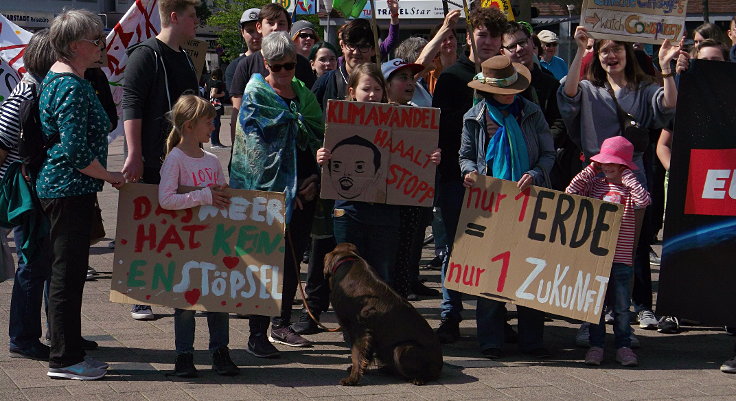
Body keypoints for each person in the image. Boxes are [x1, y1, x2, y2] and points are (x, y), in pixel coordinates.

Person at [560, 27, 679, 332]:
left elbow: (668, 107)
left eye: (617, 49)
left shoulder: (643, 88)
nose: (611, 56)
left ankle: (641, 307)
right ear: (597, 58)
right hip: (596, 176)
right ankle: (598, 312)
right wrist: (580, 51)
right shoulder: (589, 88)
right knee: (593, 245)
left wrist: (666, 71)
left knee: (634, 244)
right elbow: (567, 95)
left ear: (628, 53)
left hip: (632, 174)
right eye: (604, 51)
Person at [40, 9, 125, 380]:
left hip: (66, 190)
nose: (101, 45)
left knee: (69, 274)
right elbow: (75, 153)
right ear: (76, 46)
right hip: (67, 190)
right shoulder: (70, 87)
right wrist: (109, 175)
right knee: (66, 275)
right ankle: (64, 359)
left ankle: (69, 352)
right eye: (96, 39)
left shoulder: (62, 80)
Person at [230, 32, 323, 356]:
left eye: (291, 65)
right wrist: (286, 189)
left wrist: (313, 179)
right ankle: (257, 333)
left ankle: (280, 323)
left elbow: (315, 135)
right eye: (279, 66)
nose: (285, 73)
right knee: (264, 262)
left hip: (305, 190)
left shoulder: (301, 94)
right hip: (268, 195)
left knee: (291, 261)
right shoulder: (256, 95)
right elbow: (254, 154)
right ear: (266, 63)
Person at [459, 55, 555, 359]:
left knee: (530, 270)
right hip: (490, 204)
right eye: (505, 89)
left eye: (514, 88)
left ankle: (532, 341)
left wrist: (535, 174)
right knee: (491, 273)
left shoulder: (533, 112)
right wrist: (469, 173)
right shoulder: (473, 116)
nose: (510, 93)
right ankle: (491, 341)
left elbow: (548, 155)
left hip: (529, 201)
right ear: (489, 90)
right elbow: (465, 156)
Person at [432, 6, 508, 344]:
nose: (488, 42)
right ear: (468, 37)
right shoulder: (451, 77)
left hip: (499, 178)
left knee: (494, 249)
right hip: (456, 177)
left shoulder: (508, 75)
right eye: (482, 35)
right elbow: (439, 125)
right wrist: (474, 118)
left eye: (494, 36)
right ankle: (451, 315)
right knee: (456, 246)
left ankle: (493, 318)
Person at [122, 0, 200, 321]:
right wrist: (134, 153)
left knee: (176, 227)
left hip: (181, 158)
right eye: (192, 16)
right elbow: (132, 105)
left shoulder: (185, 56)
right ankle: (139, 297)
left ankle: (174, 288)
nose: (197, 21)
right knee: (146, 228)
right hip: (153, 159)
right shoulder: (146, 55)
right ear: (173, 16)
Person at [156, 95, 238, 378]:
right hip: (185, 243)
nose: (214, 126)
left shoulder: (213, 160)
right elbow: (165, 199)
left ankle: (220, 351)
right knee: (186, 302)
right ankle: (184, 355)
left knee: (217, 298)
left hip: (212, 241)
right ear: (190, 125)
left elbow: (220, 194)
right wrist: (204, 195)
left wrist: (221, 192)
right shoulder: (175, 159)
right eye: (209, 121)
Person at [566, 136, 651, 367]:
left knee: (622, 307)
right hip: (597, 257)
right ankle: (596, 345)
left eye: (613, 163)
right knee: (595, 306)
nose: (608, 166)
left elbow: (644, 201)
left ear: (624, 165)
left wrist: (629, 178)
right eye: (604, 162)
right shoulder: (595, 184)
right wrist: (590, 169)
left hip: (622, 258)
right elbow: (571, 191)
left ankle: (623, 345)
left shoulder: (630, 189)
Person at [316, 62, 402, 285]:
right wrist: (322, 158)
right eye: (366, 89)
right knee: (349, 276)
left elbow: (413, 158)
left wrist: (429, 159)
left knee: (380, 276)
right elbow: (329, 169)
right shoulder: (338, 121)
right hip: (349, 212)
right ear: (352, 92)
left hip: (385, 215)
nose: (372, 95)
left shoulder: (400, 120)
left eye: (377, 89)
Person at [0, 29, 56, 362]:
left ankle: (53, 330)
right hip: (26, 192)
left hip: (35, 189)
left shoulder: (40, 87)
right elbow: (3, 145)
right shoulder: (28, 92)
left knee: (43, 262)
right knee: (33, 263)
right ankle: (22, 337)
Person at [381, 59, 441, 299]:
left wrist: (435, 155)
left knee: (407, 252)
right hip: (380, 202)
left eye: (412, 78)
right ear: (386, 85)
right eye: (402, 78)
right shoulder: (371, 113)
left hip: (410, 198)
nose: (410, 83)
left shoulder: (420, 116)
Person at [500, 21, 575, 192]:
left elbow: (560, 122)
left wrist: (541, 149)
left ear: (532, 43)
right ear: (502, 51)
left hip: (544, 167)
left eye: (523, 42)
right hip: (505, 166)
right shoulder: (496, 86)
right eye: (512, 46)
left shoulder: (549, 83)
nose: (519, 49)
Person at [229, 3, 316, 149]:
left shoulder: (302, 64)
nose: (276, 27)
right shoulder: (246, 65)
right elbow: (238, 113)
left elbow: (310, 111)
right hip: (258, 148)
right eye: (270, 23)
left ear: (289, 28)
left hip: (296, 149)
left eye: (281, 23)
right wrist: (237, 150)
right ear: (259, 27)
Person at [225, 8, 262, 145]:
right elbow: (238, 110)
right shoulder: (234, 67)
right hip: (250, 137)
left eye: (258, 29)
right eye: (250, 31)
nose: (256, 36)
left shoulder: (279, 62)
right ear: (242, 33)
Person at [206, 68, 226, 148]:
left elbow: (206, 90)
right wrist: (222, 95)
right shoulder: (217, 83)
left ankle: (216, 142)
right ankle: (215, 142)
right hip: (216, 105)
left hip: (209, 103)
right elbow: (214, 94)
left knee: (215, 122)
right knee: (216, 123)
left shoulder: (208, 81)